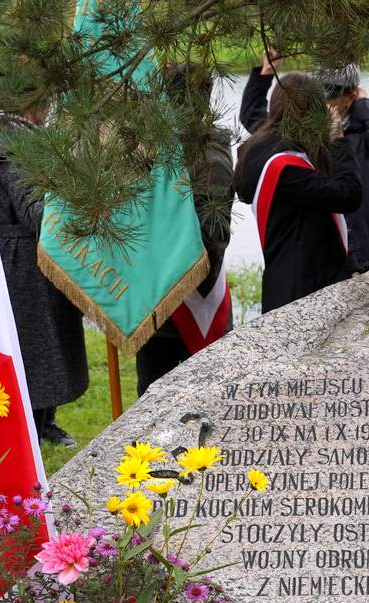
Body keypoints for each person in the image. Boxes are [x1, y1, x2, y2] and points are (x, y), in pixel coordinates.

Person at [0, 113, 88, 445]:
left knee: (45, 348)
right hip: (22, 261)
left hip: (30, 257)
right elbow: (34, 212)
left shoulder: (19, 136)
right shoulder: (9, 145)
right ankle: (29, 433)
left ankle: (44, 423)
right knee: (35, 352)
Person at [241, 56, 369, 273]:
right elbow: (253, 117)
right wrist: (265, 74)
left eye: (333, 95)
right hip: (319, 250)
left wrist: (362, 101)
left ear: (350, 96)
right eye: (321, 94)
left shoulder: (361, 136)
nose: (326, 101)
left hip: (356, 244)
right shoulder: (301, 133)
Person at [137, 64, 234, 395]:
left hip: (195, 297)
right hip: (156, 301)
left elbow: (215, 235)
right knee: (151, 400)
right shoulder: (149, 150)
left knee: (207, 398)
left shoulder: (211, 154)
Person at [234, 72, 363, 313]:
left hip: (282, 275)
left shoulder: (259, 148)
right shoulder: (285, 167)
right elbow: (348, 195)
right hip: (306, 287)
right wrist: (337, 140)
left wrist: (262, 75)